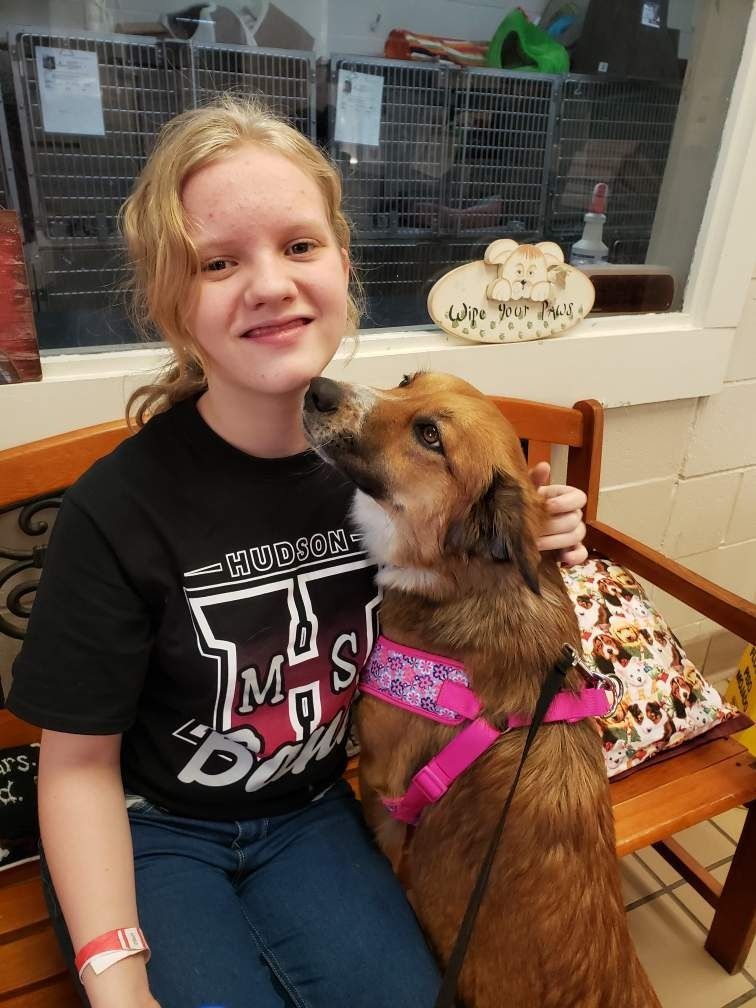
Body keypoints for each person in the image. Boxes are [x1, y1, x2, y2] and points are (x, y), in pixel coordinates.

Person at [7, 95, 588, 1008]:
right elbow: (75, 767)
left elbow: (485, 583)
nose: (269, 283)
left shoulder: (397, 482)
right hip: (154, 826)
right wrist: (118, 981)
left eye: (300, 246)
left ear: (343, 266)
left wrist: (550, 532)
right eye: (219, 261)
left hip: (315, 810)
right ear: (172, 301)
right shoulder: (118, 508)